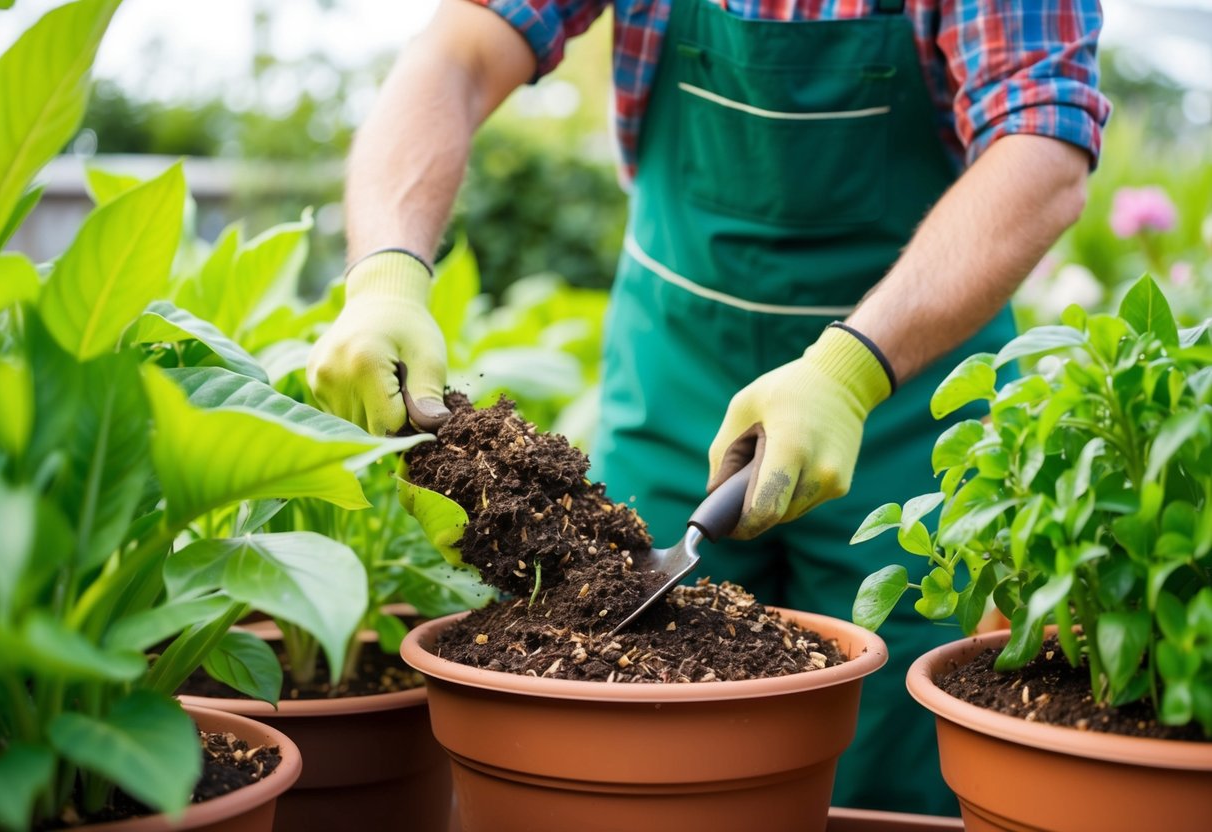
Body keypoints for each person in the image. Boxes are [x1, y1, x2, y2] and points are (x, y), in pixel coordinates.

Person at [307, 0, 1109, 814]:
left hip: (910, 385)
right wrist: (385, 275)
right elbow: (458, 52)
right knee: (609, 691)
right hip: (677, 358)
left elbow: (1042, 143)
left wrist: (847, 371)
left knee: (901, 720)